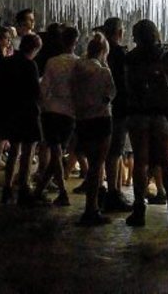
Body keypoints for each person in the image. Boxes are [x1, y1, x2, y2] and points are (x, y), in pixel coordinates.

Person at [124, 19, 168, 227]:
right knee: (167, 162)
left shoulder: (131, 57)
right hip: (162, 114)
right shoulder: (166, 52)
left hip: (138, 113)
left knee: (140, 162)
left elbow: (127, 86)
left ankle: (139, 208)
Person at [33, 27, 81, 207]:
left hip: (51, 111)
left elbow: (44, 87)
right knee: (57, 152)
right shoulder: (79, 63)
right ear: (75, 42)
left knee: (55, 153)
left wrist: (43, 105)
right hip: (69, 113)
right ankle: (49, 192)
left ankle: (57, 192)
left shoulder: (52, 62)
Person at [72, 32, 116, 226]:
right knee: (98, 165)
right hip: (101, 119)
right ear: (103, 51)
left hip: (83, 120)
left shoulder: (77, 69)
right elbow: (111, 94)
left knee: (91, 163)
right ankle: (92, 208)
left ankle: (91, 207)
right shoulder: (103, 72)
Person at [0, 34, 43, 206]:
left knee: (13, 151)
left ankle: (7, 188)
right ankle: (24, 188)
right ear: (34, 49)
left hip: (10, 110)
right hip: (27, 112)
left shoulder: (7, 62)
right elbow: (36, 91)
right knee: (28, 152)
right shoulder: (30, 65)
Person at [100, 18, 133, 213]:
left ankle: (113, 190)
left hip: (104, 107)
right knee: (115, 151)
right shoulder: (120, 54)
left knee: (110, 151)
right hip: (120, 108)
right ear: (119, 32)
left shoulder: (103, 53)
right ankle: (113, 192)